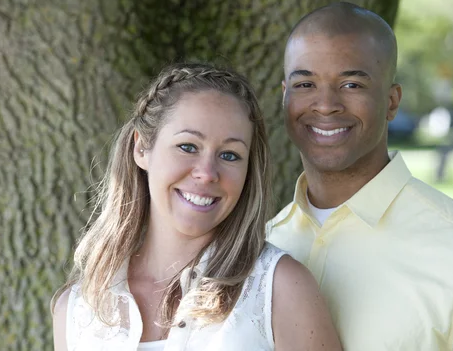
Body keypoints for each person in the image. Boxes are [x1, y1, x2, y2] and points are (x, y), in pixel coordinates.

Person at [52, 62, 341, 350]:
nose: (207, 173)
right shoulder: (78, 308)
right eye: (188, 146)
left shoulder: (281, 289)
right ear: (141, 149)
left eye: (229, 155)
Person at [267, 1, 453, 350]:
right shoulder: (265, 244)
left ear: (392, 101)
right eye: (305, 84)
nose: (325, 105)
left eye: (351, 85)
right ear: (285, 97)